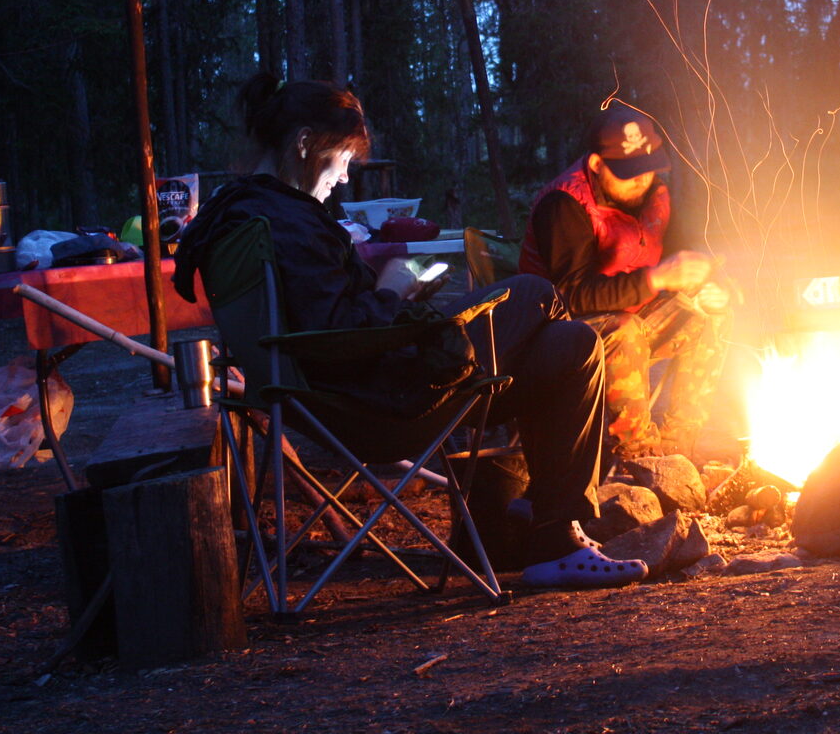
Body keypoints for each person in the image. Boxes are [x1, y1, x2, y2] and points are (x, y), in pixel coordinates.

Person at [172, 73, 645, 589]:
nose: (346, 178)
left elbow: (322, 318)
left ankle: (554, 537)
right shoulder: (285, 220)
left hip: (354, 385)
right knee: (533, 291)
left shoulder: (248, 210)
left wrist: (389, 299)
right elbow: (337, 331)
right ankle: (543, 514)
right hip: (381, 399)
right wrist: (394, 290)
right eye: (344, 159)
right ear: (305, 143)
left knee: (573, 344)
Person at [518, 105, 733, 461]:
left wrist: (713, 285)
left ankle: (678, 448)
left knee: (709, 315)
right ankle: (639, 459)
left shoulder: (653, 195)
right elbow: (570, 296)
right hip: (556, 336)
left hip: (630, 320)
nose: (642, 180)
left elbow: (687, 252)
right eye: (628, 172)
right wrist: (657, 278)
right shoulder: (564, 204)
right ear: (596, 165)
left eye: (649, 169)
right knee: (625, 329)